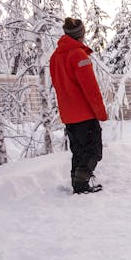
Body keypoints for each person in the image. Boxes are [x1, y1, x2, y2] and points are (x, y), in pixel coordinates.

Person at [50, 17, 108, 194]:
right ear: (80, 35)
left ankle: (78, 184)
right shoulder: (78, 55)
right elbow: (90, 88)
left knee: (78, 151)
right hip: (84, 114)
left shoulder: (55, 57)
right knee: (94, 150)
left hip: (68, 115)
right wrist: (101, 113)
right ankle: (81, 183)